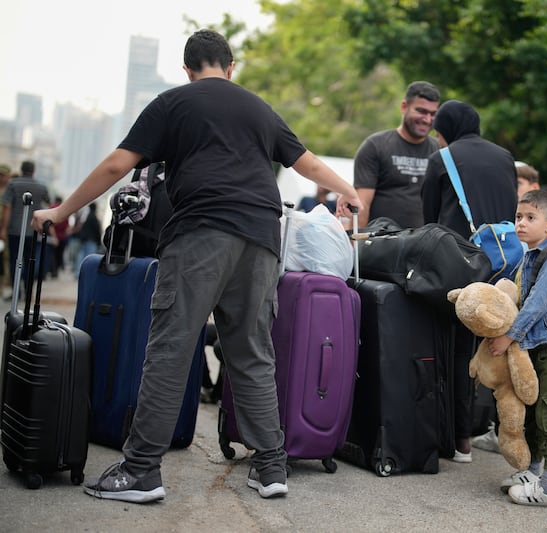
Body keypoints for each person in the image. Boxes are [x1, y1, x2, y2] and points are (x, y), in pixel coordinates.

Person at [31, 29, 362, 504]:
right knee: (251, 352)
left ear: (187, 70)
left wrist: (59, 214)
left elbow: (115, 166)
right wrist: (348, 193)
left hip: (201, 233)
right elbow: (306, 163)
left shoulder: (173, 103)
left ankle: (142, 469)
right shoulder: (258, 108)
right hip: (264, 239)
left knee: (171, 347)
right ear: (231, 68)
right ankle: (271, 466)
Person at [422, 99, 518, 463]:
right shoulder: (505, 157)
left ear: (445, 127)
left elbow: (430, 222)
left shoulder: (441, 159)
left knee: (459, 347)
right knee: (499, 342)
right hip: (502, 262)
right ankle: (499, 428)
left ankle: (461, 438)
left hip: (459, 262)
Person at [487, 189, 547, 506]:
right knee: (536, 415)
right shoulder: (527, 258)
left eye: (530, 218)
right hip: (532, 348)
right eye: (518, 217)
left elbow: (538, 303)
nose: (521, 223)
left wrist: (510, 334)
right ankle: (534, 473)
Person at [353, 81, 440, 228]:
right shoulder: (375, 146)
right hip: (382, 242)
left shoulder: (440, 152)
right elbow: (362, 204)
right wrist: (356, 246)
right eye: (421, 111)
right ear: (404, 107)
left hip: (425, 245)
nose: (427, 119)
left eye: (433, 114)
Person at [0, 160, 51, 299]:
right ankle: (28, 291)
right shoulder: (41, 186)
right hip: (33, 230)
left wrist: (3, 228)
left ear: (21, 170)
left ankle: (16, 291)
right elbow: (48, 204)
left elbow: (7, 207)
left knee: (15, 261)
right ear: (33, 171)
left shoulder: (12, 184)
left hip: (14, 230)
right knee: (31, 260)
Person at [71, 202, 102, 277]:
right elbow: (97, 230)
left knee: (81, 256)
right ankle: (87, 274)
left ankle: (78, 273)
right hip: (91, 240)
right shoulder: (94, 217)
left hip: (84, 240)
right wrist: (99, 241)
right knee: (90, 258)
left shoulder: (86, 217)